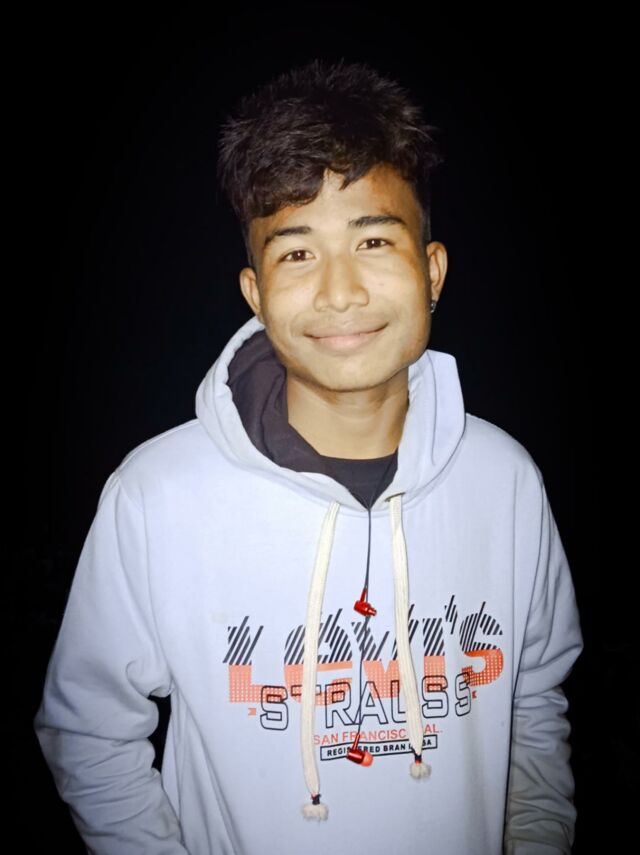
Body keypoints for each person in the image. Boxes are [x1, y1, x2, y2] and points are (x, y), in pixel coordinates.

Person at [33, 58, 583, 854]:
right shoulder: (156, 495)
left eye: (373, 239)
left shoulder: (505, 481)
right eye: (296, 253)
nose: (339, 291)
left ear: (431, 271)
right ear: (255, 294)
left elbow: (533, 700)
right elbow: (89, 730)